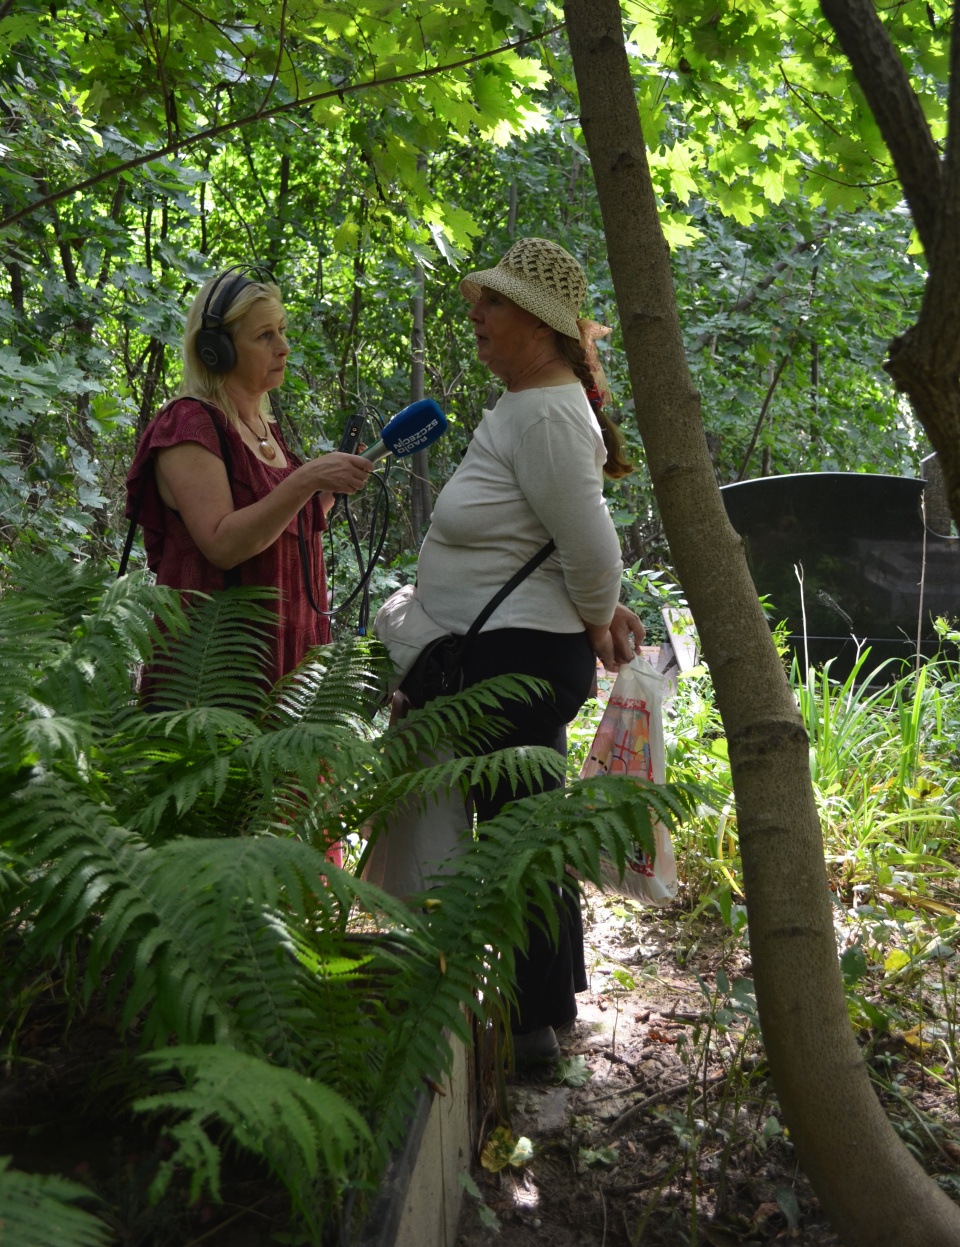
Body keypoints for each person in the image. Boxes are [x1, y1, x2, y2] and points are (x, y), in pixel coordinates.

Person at [414, 237, 645, 1064]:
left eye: (495, 304)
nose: (475, 314)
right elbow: (560, 543)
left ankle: (530, 1029)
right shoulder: (533, 405)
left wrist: (595, 612)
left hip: (514, 661)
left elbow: (592, 549)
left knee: (517, 834)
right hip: (507, 653)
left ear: (541, 327)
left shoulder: (547, 412)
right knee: (524, 829)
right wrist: (597, 607)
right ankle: (540, 1014)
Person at [124, 267, 375, 689]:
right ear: (215, 351)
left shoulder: (264, 427)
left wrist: (330, 485)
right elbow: (223, 544)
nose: (284, 348)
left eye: (282, 331)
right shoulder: (190, 425)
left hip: (289, 654)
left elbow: (282, 525)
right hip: (216, 670)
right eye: (265, 336)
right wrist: (307, 478)